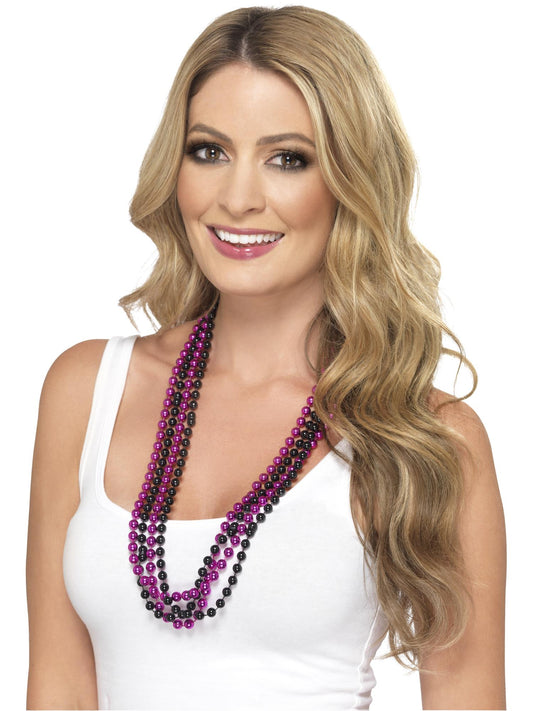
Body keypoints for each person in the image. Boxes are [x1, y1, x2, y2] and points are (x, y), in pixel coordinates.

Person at [26, 6, 506, 710]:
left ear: (350, 179)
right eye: (208, 151)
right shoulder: (85, 389)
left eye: (288, 159)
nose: (237, 198)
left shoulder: (425, 434)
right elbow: (58, 686)